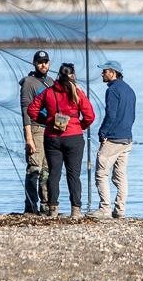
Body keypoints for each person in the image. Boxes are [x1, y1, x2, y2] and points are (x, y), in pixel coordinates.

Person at [27, 62, 95, 219]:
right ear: (73, 76)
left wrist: (47, 121)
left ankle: (53, 209)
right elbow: (90, 116)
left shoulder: (48, 92)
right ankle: (76, 210)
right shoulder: (78, 92)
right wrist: (79, 125)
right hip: (74, 137)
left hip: (52, 137)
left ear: (58, 75)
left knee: (54, 174)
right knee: (74, 174)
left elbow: (32, 110)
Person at [91, 59, 136, 219]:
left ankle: (105, 209)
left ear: (113, 72)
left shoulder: (112, 91)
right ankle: (120, 210)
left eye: (105, 71)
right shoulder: (130, 90)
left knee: (101, 173)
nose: (102, 73)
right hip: (127, 138)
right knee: (120, 175)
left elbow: (111, 115)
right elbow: (132, 116)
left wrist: (103, 133)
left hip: (113, 139)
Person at [19, 50, 54, 214]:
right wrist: (29, 138)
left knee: (47, 169)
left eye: (46, 62)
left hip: (50, 130)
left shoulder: (51, 81)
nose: (43, 65)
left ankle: (45, 204)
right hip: (35, 129)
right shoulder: (28, 83)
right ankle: (31, 205)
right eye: (40, 62)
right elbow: (25, 109)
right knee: (34, 168)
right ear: (34, 63)